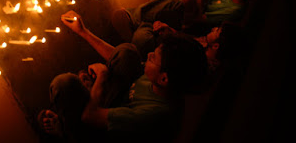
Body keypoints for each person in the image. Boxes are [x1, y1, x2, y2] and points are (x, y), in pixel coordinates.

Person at [39, 10, 208, 142]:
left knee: (64, 84)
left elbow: (90, 116)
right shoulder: (164, 83)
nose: (149, 54)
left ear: (164, 78)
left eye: (154, 57)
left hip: (108, 132)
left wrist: (102, 78)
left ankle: (67, 132)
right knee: (127, 51)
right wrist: (84, 32)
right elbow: (117, 56)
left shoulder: (153, 115)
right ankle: (92, 94)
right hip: (121, 103)